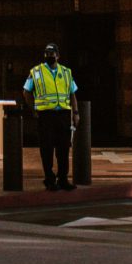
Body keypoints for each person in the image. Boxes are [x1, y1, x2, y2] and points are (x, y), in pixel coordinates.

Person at [24, 42, 78, 191]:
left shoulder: (66, 72)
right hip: (46, 116)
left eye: (52, 54)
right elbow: (26, 91)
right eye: (47, 54)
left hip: (63, 115)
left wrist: (76, 113)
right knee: (46, 148)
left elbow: (72, 93)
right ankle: (49, 179)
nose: (50, 57)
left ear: (58, 55)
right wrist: (34, 108)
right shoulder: (36, 72)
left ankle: (63, 179)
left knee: (63, 149)